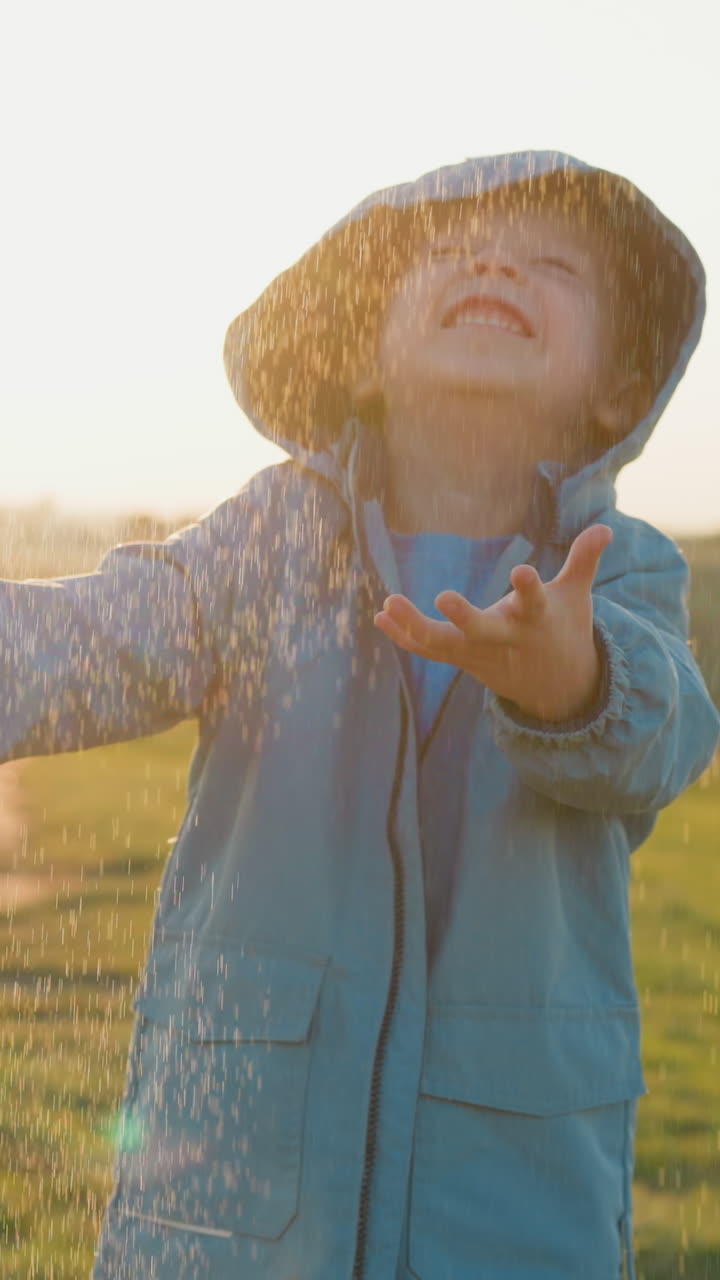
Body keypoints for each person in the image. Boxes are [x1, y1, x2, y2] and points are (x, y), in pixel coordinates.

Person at [3, 152, 718, 1279]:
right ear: (360, 347)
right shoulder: (271, 544)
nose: (490, 263)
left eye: (550, 264)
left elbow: (663, 738)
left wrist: (574, 679)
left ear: (620, 385)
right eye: (445, 253)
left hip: (509, 1214)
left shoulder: (615, 571)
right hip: (240, 1206)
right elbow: (98, 637)